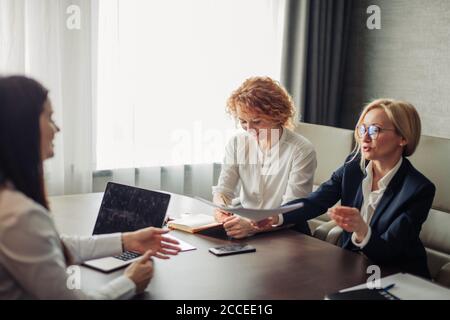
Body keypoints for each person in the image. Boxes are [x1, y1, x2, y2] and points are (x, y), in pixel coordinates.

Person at [0, 76, 181, 299]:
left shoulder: (9, 202)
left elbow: (53, 246)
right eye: (49, 117)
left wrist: (128, 240)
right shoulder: (18, 215)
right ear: (22, 126)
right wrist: (129, 282)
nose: (57, 128)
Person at [254, 98, 435, 278]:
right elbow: (314, 202)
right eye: (362, 128)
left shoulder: (419, 189)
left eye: (374, 130)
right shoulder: (352, 168)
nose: (364, 137)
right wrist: (276, 215)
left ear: (403, 138)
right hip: (353, 265)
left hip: (397, 275)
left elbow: (390, 250)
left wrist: (361, 229)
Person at [212, 76, 317, 239]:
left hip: (288, 233)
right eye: (243, 122)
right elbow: (223, 191)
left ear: (278, 116)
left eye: (257, 121)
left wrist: (252, 227)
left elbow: (293, 210)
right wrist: (221, 210)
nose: (249, 129)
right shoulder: (237, 143)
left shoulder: (301, 150)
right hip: (246, 230)